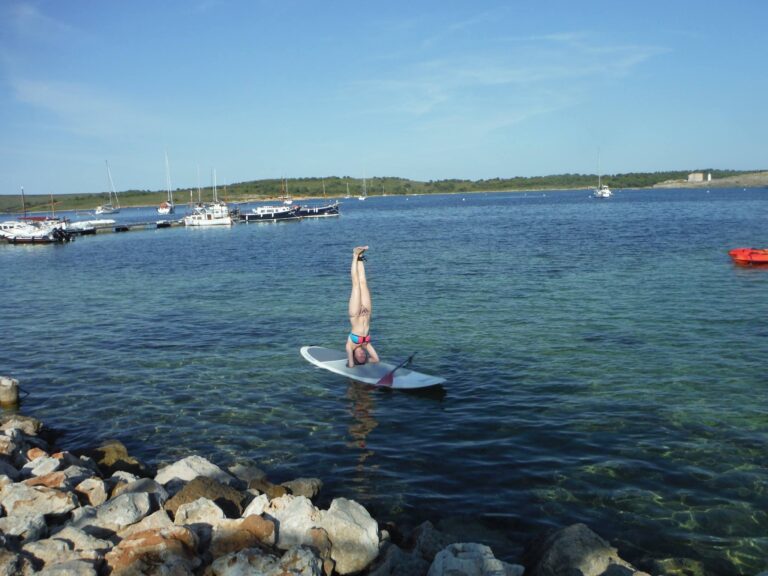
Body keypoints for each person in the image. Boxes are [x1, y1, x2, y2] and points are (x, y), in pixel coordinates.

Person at [346, 246, 380, 368]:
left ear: (354, 356)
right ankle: (360, 257)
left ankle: (354, 255)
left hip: (355, 315)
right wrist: (366, 361)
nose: (362, 355)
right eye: (363, 357)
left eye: (359, 357)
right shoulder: (366, 344)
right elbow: (376, 359)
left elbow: (351, 365)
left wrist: (353, 364)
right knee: (363, 282)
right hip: (367, 312)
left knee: (356, 285)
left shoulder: (350, 346)